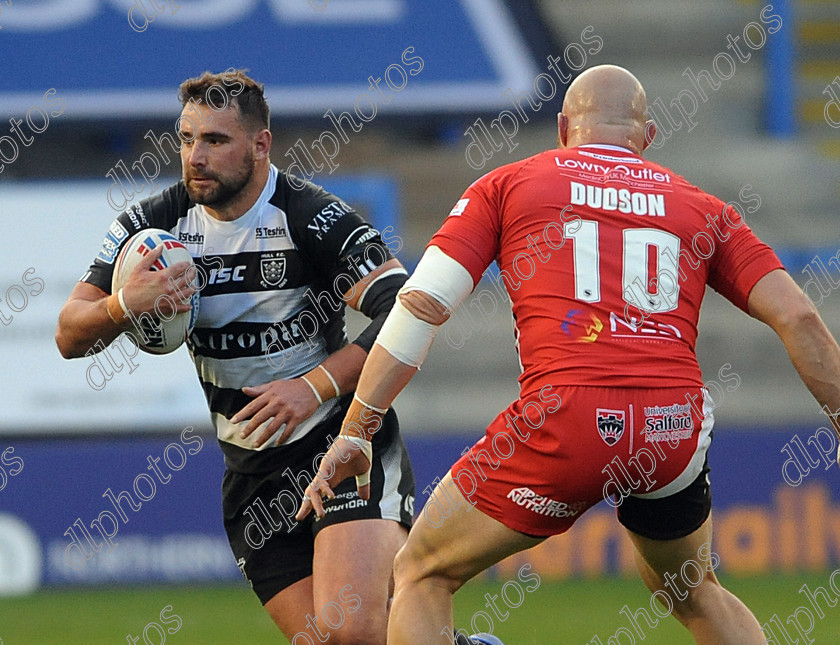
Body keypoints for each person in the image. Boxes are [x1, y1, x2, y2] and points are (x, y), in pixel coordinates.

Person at [296, 64, 840, 644]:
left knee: (421, 571)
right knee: (693, 589)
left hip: (567, 419)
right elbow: (800, 316)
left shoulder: (507, 184)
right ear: (647, 137)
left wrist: (356, 430)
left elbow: (422, 306)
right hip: (673, 426)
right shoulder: (702, 206)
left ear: (562, 128)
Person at [55, 70, 416, 644]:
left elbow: (406, 309)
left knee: (354, 636)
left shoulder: (309, 216)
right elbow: (69, 334)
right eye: (186, 139)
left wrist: (315, 385)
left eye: (215, 141)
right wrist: (125, 304)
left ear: (260, 144)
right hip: (252, 479)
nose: (195, 157)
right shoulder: (152, 226)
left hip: (343, 446)